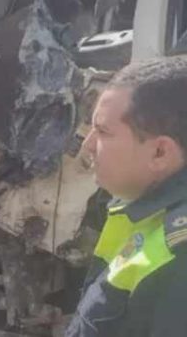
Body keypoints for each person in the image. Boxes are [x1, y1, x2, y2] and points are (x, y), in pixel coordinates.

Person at [67, 57, 187, 336]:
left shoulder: (179, 262)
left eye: (103, 132)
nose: (88, 145)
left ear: (160, 153)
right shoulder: (143, 206)